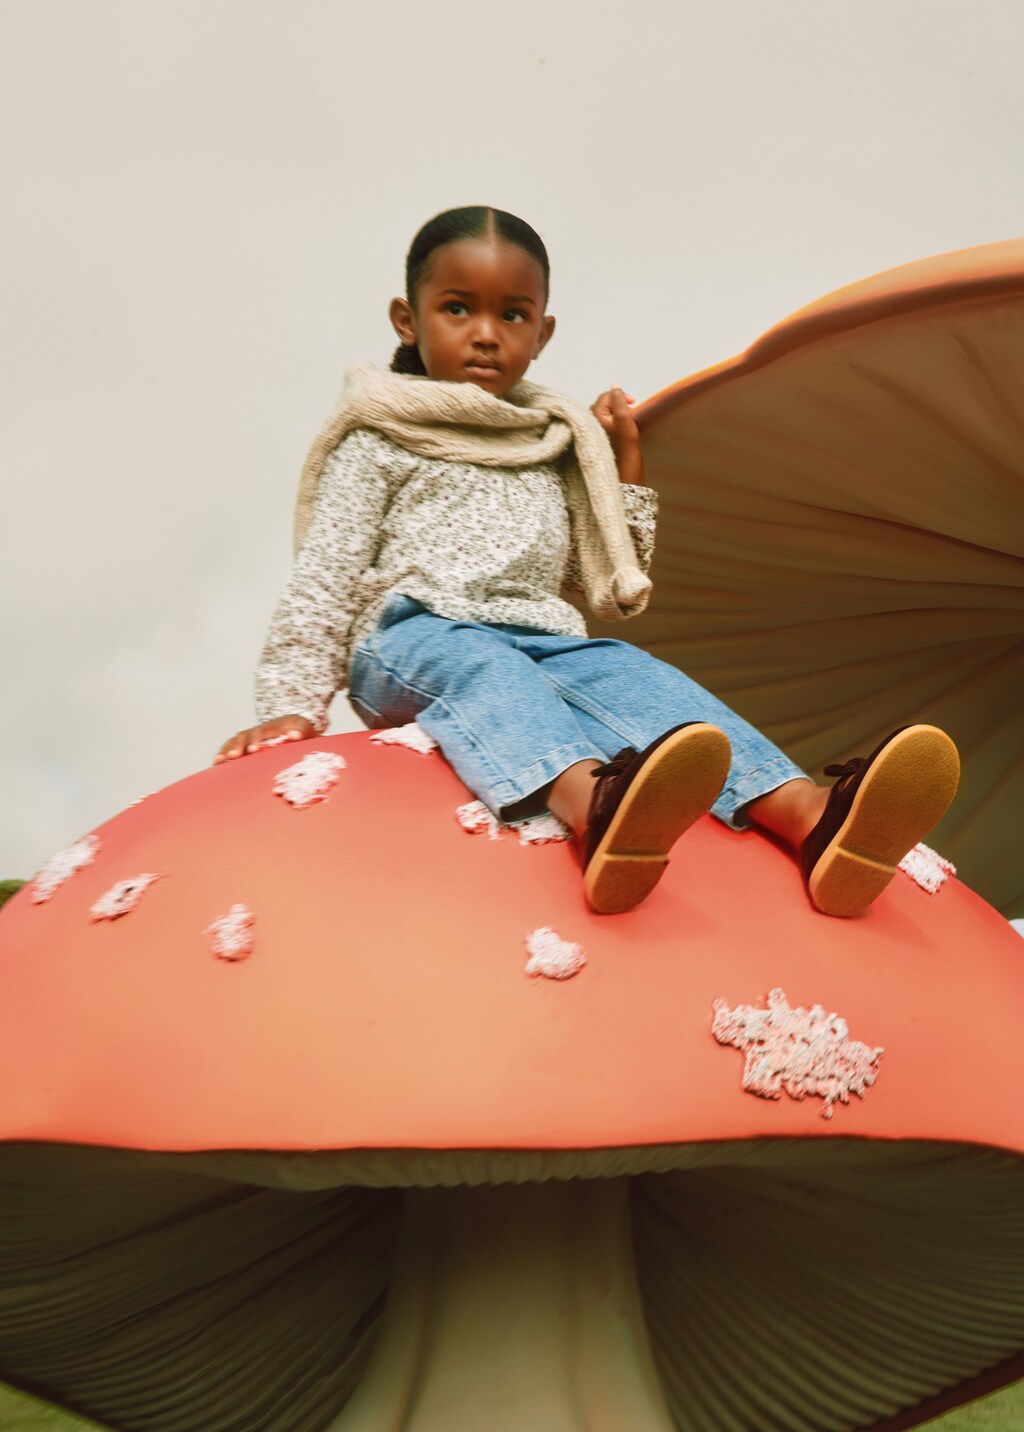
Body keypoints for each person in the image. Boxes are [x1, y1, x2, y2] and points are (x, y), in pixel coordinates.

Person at [214, 206, 959, 916]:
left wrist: (623, 469)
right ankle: (594, 807)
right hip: (413, 638)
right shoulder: (380, 437)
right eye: (457, 308)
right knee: (484, 665)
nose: (485, 334)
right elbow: (325, 577)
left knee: (637, 676)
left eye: (511, 315)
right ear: (407, 320)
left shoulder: (549, 446)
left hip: (541, 637)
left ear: (542, 332)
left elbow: (597, 587)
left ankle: (812, 819)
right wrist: (291, 704)